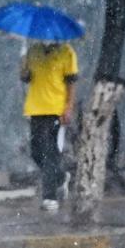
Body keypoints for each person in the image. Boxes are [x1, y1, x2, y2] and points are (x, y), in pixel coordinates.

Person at [20, 41, 78, 211]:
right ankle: (60, 177)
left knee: (50, 152)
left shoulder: (67, 52)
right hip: (35, 108)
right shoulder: (33, 51)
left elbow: (71, 82)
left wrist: (69, 106)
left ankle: (49, 197)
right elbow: (26, 78)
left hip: (56, 110)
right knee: (36, 152)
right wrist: (23, 67)